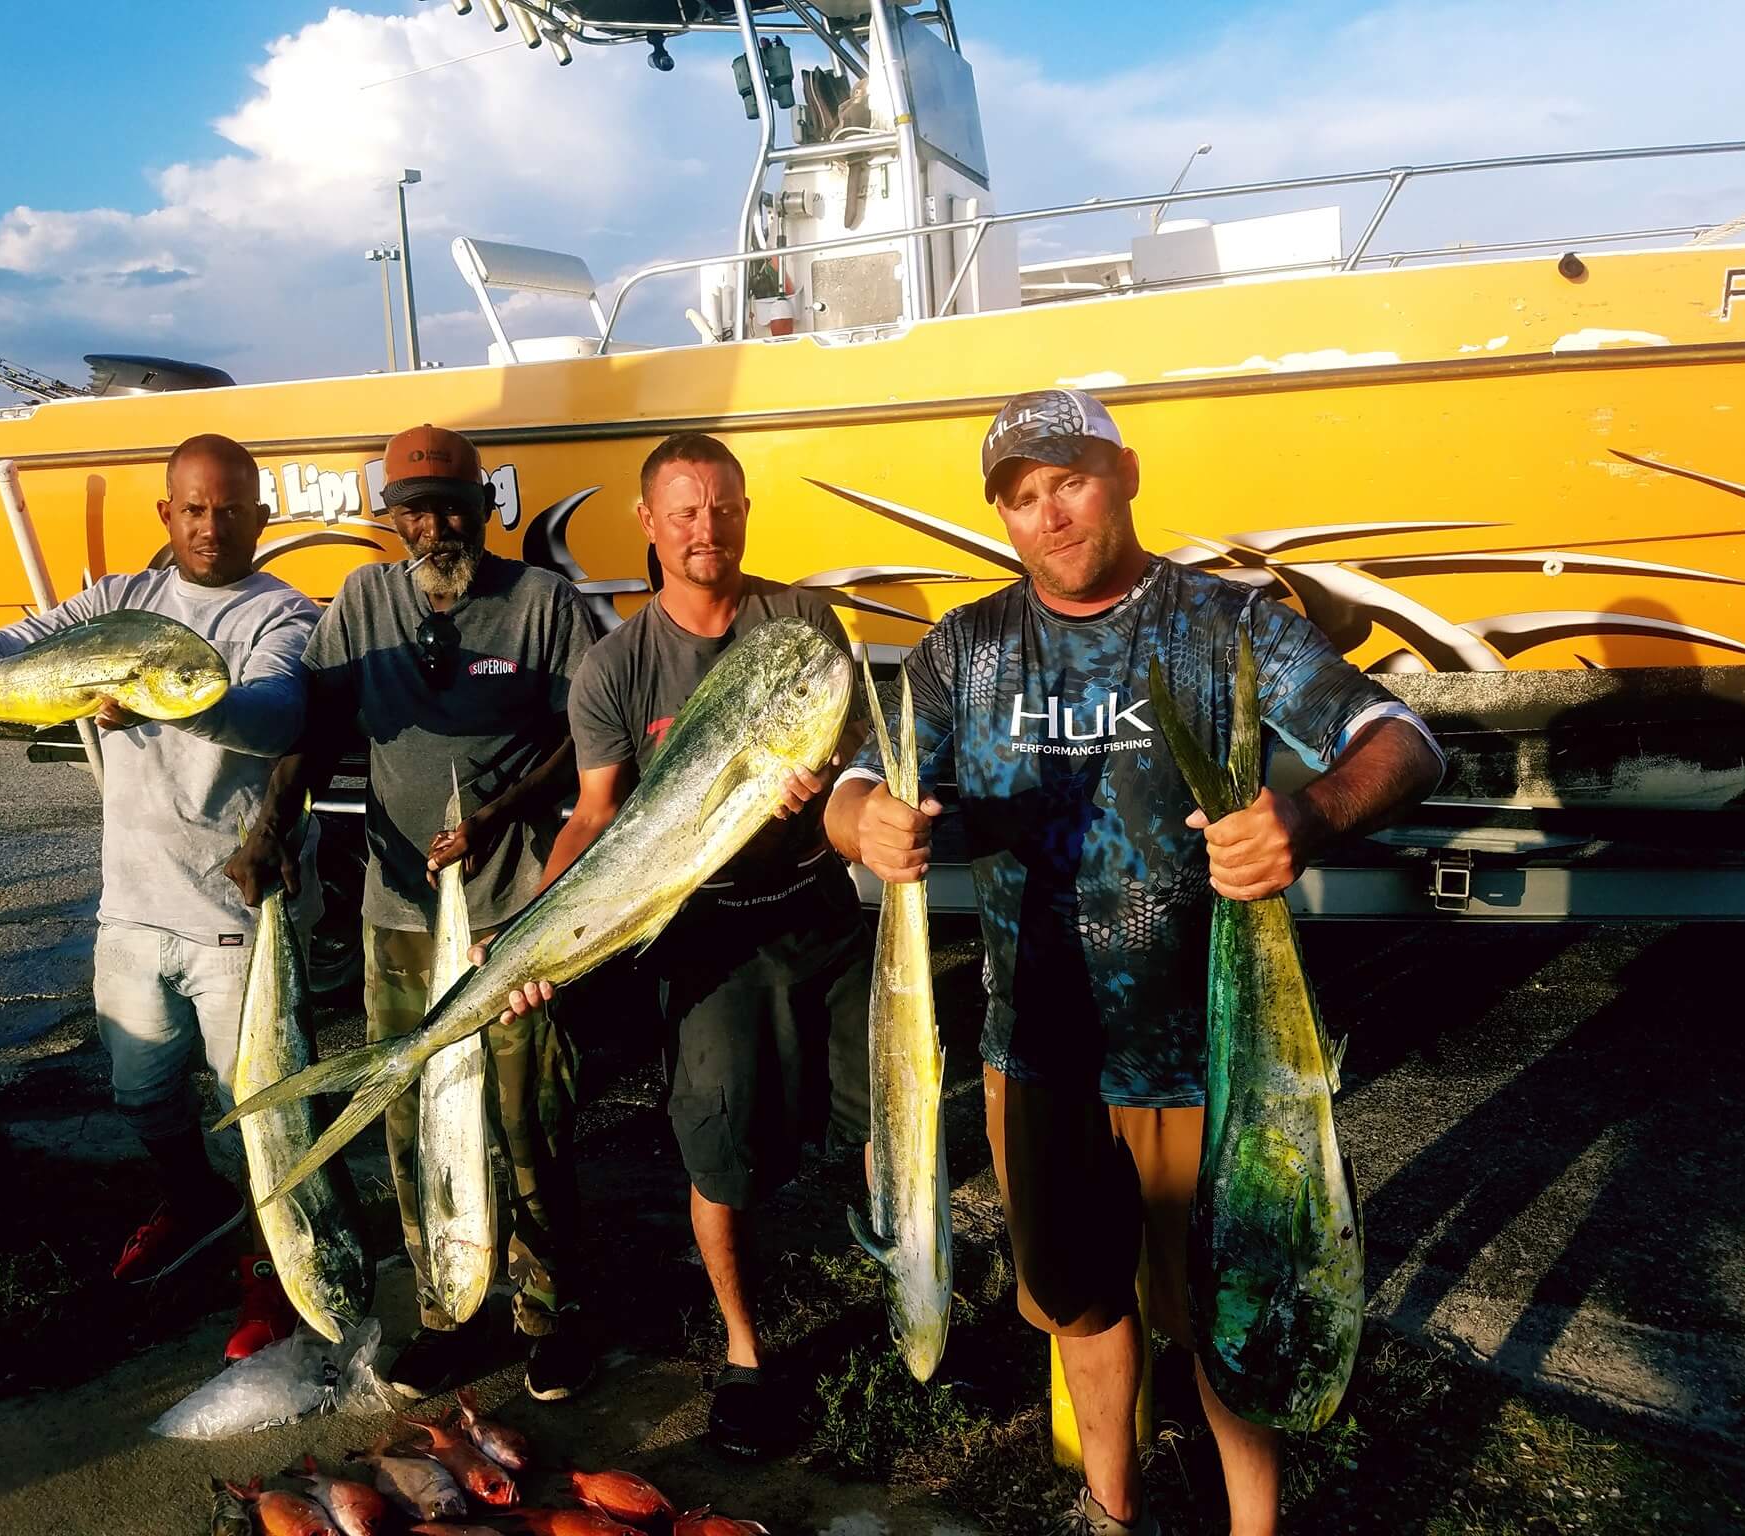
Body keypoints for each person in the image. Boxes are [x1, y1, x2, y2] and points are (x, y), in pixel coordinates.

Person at [823, 389, 1443, 1536]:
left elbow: (1401, 739)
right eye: (1019, 498)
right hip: (1041, 1054)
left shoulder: (1228, 624)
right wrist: (861, 819)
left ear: (1124, 473)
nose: (1048, 515)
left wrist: (1305, 820)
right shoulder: (966, 648)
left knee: (1225, 1311)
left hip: (1211, 1060)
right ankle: (1109, 1506)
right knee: (1077, 1303)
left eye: (1067, 481)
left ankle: (1252, 1526)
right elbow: (861, 779)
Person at [0, 434, 322, 1362]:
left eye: (231, 509)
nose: (210, 525)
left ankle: (273, 1268)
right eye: (193, 508)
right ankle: (192, 1203)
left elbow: (277, 712)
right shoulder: (120, 604)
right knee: (141, 1091)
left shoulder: (284, 614)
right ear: (167, 514)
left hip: (238, 919)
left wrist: (171, 697)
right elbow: (22, 644)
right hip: (131, 907)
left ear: (261, 519)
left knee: (262, 1111)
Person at [490, 431, 869, 1457]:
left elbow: (840, 751)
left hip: (814, 904)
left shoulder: (799, 618)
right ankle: (746, 1351)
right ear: (648, 523)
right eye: (687, 511)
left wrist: (824, 775)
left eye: (726, 507)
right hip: (704, 932)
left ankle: (905, 1287)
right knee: (718, 1144)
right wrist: (530, 937)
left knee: (878, 1116)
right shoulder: (615, 664)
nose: (709, 529)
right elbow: (593, 815)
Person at [227, 423, 598, 1403]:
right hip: (398, 914)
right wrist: (273, 824)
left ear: (488, 506)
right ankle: (444, 1306)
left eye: (452, 506)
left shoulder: (543, 604)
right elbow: (313, 730)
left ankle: (548, 1310)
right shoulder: (362, 603)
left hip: (514, 910)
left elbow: (591, 741)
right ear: (388, 518)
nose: (434, 526)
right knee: (410, 1119)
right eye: (412, 509)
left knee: (527, 1117)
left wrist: (505, 811)